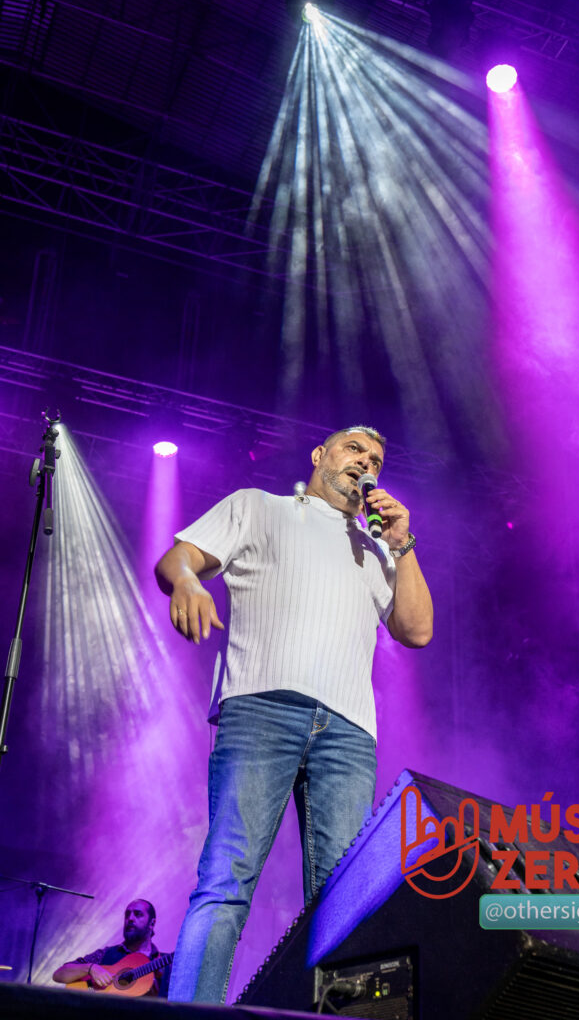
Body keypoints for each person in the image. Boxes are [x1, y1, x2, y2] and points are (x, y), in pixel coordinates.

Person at [155, 425, 433, 1004]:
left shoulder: (375, 549)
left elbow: (417, 629)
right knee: (227, 879)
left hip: (350, 735)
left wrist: (402, 545)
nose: (366, 462)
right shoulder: (258, 507)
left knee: (343, 899)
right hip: (262, 709)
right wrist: (187, 581)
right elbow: (177, 558)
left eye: (377, 458)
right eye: (355, 449)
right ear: (320, 455)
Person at [52, 898, 171, 997]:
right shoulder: (106, 954)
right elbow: (59, 974)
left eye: (138, 914)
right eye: (127, 914)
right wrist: (91, 968)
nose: (130, 918)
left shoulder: (167, 964)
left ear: (152, 923)